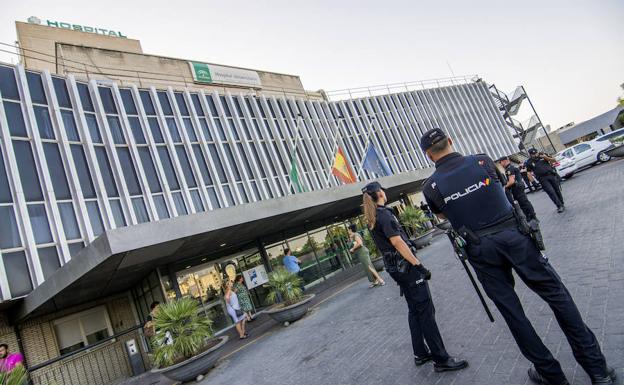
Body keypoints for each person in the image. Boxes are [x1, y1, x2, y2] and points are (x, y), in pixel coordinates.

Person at [420, 127, 615, 385]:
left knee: (513, 314)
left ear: (428, 155)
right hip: (514, 235)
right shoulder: (482, 161)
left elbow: (444, 215)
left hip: (480, 249)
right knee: (557, 295)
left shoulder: (430, 186)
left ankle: (551, 375)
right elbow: (499, 188)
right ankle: (597, 370)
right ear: (451, 141)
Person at [362, 181, 468, 372]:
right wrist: (419, 266)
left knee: (414, 309)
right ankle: (441, 359)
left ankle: (420, 353)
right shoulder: (384, 215)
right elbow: (397, 242)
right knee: (426, 311)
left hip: (396, 268)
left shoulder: (373, 216)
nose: (385, 192)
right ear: (379, 193)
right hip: (406, 268)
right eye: (383, 190)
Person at [497, 156, 537, 221]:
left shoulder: (509, 169)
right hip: (518, 187)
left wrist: (504, 188)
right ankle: (530, 216)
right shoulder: (511, 167)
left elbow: (511, 181)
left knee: (524, 203)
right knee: (524, 203)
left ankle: (532, 217)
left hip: (517, 188)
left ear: (504, 161)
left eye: (500, 162)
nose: (500, 164)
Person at [525, 148, 565, 213]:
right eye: (533, 154)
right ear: (530, 155)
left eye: (535, 153)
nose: (535, 155)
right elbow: (528, 173)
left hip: (551, 175)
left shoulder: (543, 155)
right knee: (551, 192)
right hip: (542, 178)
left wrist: (545, 157)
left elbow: (554, 160)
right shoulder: (529, 162)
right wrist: (533, 182)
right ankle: (559, 206)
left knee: (557, 190)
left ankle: (561, 203)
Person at [347, 224, 385, 288]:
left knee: (369, 267)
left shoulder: (356, 235)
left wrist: (353, 249)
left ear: (350, 229)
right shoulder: (353, 235)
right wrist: (350, 239)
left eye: (348, 230)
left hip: (363, 253)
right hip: (361, 253)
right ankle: (375, 281)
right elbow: (353, 244)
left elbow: (360, 244)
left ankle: (381, 280)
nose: (348, 231)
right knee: (367, 268)